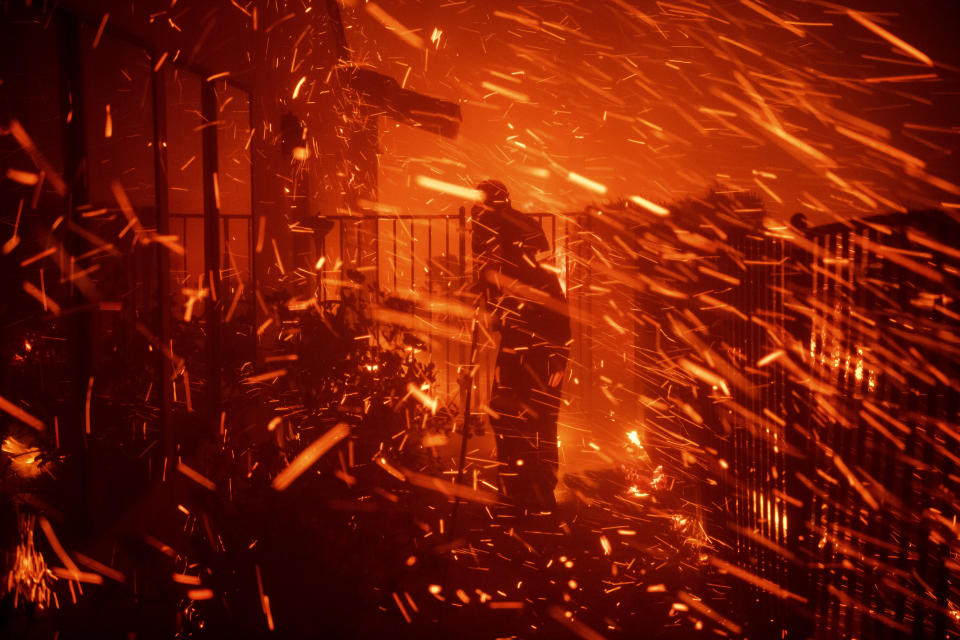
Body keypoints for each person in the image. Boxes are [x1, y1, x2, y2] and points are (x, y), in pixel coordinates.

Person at [471, 180, 571, 513]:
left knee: (533, 418)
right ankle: (523, 487)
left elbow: (554, 306)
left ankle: (532, 489)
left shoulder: (512, 245)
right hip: (524, 347)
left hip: (536, 349)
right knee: (518, 415)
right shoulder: (507, 243)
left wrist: (558, 356)